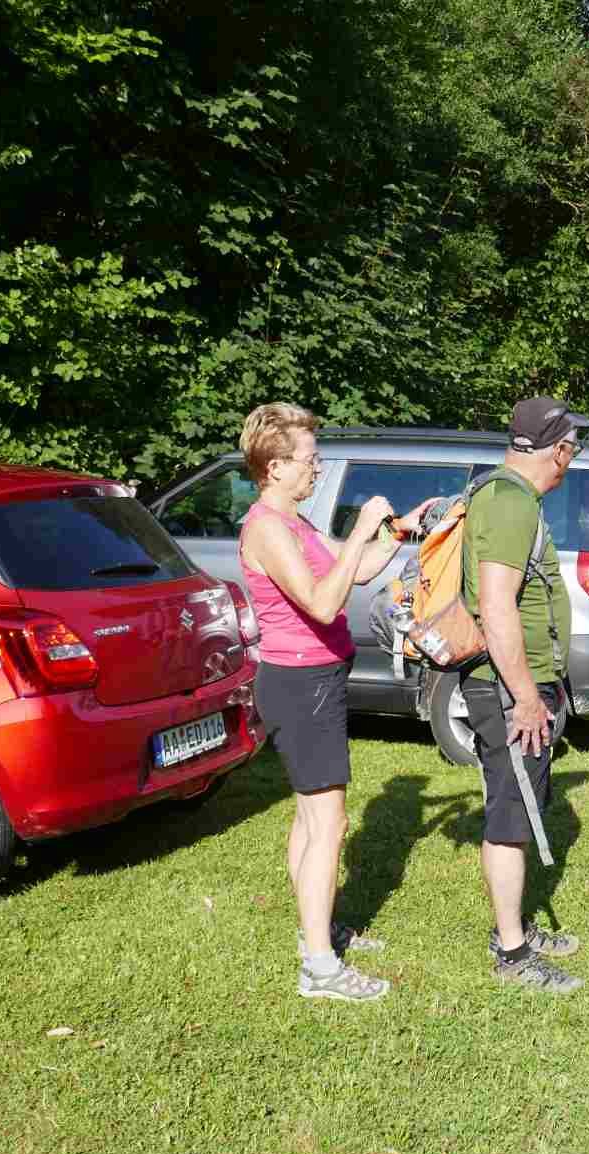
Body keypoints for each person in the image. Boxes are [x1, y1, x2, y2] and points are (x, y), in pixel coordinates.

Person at [238, 401, 434, 1002]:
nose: (316, 468)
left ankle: (314, 934)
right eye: (308, 459)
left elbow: (358, 570)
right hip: (299, 685)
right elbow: (323, 604)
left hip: (314, 681)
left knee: (309, 815)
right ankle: (321, 968)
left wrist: (399, 533)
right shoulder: (267, 529)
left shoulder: (295, 524)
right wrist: (357, 530)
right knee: (330, 821)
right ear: (273, 467)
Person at [464, 397, 584, 994]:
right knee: (511, 816)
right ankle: (511, 950)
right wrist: (525, 698)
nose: (572, 459)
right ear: (557, 450)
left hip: (521, 683)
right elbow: (495, 606)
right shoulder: (510, 503)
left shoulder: (507, 496)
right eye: (572, 448)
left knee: (519, 805)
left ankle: (518, 928)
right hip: (511, 690)